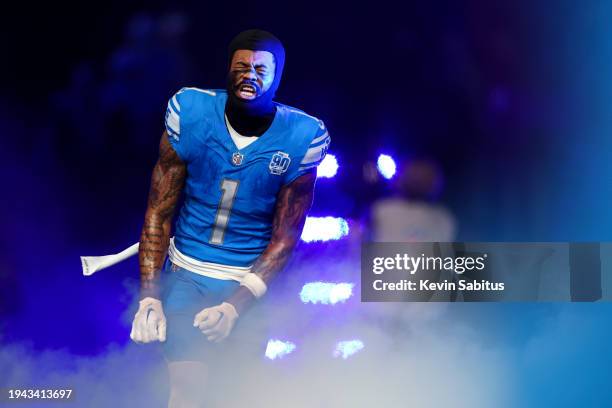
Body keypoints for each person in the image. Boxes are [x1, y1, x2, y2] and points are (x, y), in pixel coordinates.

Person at [129, 29, 330, 407]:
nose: (249, 75)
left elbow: (286, 236)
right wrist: (150, 297)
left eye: (259, 68)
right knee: (186, 390)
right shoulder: (192, 113)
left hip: (247, 279)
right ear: (227, 69)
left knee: (237, 393)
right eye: (240, 66)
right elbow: (158, 211)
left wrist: (235, 305)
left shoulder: (301, 135)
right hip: (189, 274)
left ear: (277, 76)